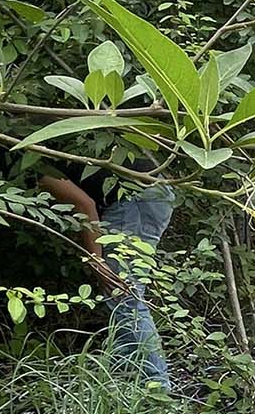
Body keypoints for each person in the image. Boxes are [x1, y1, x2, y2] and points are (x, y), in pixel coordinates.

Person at [39, 161, 176, 389]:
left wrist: (97, 262)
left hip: (134, 198)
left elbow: (84, 204)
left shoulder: (15, 156)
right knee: (121, 297)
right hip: (153, 191)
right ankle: (127, 384)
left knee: (123, 296)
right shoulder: (21, 142)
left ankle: (158, 390)